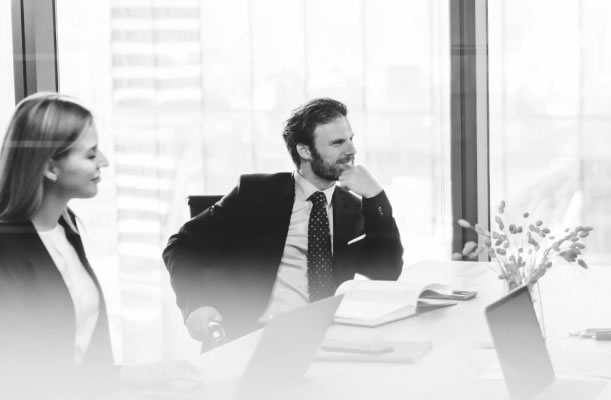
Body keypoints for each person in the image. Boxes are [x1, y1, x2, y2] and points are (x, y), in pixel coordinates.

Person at [0, 93, 198, 398]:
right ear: (50, 168)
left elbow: (78, 356)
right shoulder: (7, 251)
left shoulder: (66, 228)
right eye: (91, 155)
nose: (104, 161)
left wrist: (139, 375)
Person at [163, 97, 404, 346]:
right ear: (305, 151)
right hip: (252, 337)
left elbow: (387, 272)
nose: (352, 150)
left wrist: (375, 196)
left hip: (323, 340)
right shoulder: (255, 193)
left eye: (351, 139)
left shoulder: (354, 209)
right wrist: (195, 305)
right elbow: (180, 245)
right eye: (337, 143)